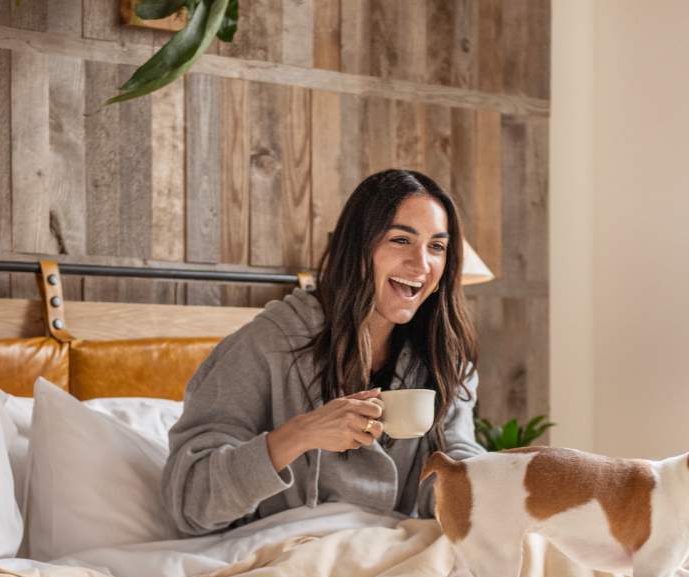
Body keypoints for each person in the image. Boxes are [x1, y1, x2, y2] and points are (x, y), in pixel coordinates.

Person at [161, 169, 486, 536]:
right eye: (400, 240)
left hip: (390, 555)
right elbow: (190, 504)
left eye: (437, 247)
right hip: (287, 554)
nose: (422, 264)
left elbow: (456, 461)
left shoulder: (444, 355)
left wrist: (496, 482)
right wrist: (299, 434)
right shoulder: (269, 344)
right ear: (358, 246)